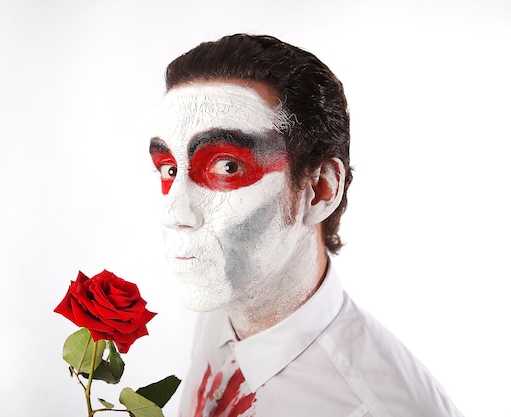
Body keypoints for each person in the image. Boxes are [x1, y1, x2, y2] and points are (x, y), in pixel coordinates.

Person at [149, 34, 463, 417]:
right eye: (169, 168)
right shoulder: (224, 302)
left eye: (227, 166)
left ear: (319, 189)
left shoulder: (373, 407)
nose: (175, 212)